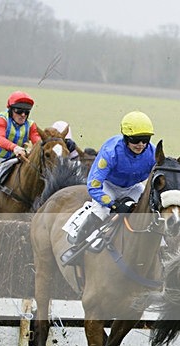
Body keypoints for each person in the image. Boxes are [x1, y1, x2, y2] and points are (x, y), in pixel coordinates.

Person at [61, 111, 156, 266]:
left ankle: (161, 251)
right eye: (136, 140)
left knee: (149, 212)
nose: (141, 144)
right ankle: (77, 248)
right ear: (126, 138)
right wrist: (114, 205)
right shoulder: (111, 152)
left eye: (145, 140)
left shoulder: (152, 153)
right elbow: (94, 186)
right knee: (102, 212)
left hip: (133, 187)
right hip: (108, 185)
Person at [0, 91, 42, 213]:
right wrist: (14, 148)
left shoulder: (31, 125)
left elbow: (37, 141)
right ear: (11, 110)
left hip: (12, 159)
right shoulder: (2, 119)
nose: (23, 115)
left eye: (26, 112)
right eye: (19, 111)